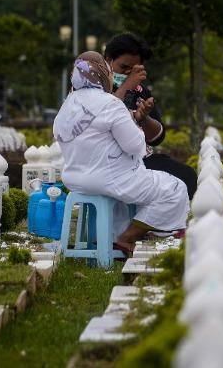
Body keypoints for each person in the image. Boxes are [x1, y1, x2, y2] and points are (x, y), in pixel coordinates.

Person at [53, 51, 188, 256]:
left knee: (123, 199)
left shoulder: (67, 104)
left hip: (74, 179)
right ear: (103, 74)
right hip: (109, 178)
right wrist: (137, 125)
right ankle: (127, 238)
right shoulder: (110, 103)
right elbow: (134, 145)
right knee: (174, 188)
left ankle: (108, 238)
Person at [104, 32, 198, 198]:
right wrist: (127, 86)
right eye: (123, 68)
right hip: (108, 163)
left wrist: (144, 118)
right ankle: (139, 223)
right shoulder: (95, 87)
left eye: (133, 70)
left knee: (186, 176)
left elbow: (157, 138)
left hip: (140, 160)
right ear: (108, 59)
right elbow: (102, 115)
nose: (127, 74)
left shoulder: (141, 92)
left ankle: (155, 222)